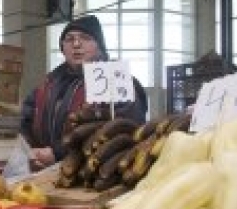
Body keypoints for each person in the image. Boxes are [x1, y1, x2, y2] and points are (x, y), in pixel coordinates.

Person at [20, 15, 149, 170]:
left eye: (85, 38)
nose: (76, 44)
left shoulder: (116, 80)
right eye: (69, 39)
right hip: (42, 172)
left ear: (99, 46)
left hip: (96, 172)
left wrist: (58, 153)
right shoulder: (48, 84)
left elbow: (128, 128)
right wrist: (29, 151)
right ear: (62, 47)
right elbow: (24, 120)